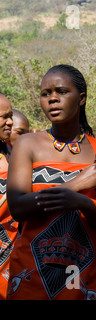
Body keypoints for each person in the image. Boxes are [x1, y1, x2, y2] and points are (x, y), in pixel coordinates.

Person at [5, 64, 96, 300]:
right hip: (31, 269)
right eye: (46, 94)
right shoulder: (27, 145)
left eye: (61, 92)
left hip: (86, 273)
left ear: (81, 98)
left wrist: (84, 204)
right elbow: (18, 207)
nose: (53, 99)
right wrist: (73, 187)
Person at [0, 94, 15, 299]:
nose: (10, 121)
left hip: (14, 257)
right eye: (4, 117)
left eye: (11, 116)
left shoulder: (12, 153)